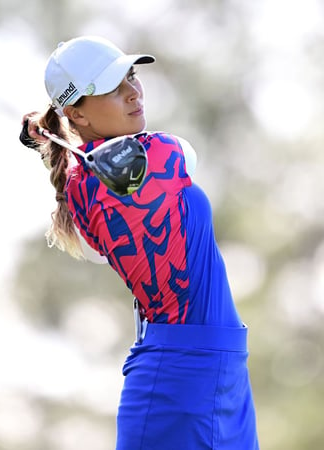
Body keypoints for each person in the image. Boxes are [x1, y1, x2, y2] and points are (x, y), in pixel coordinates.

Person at [20, 36, 259, 449]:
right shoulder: (161, 152)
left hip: (222, 367)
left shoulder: (77, 188)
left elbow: (94, 251)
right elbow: (188, 154)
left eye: (131, 77)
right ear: (76, 112)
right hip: (179, 379)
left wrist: (57, 139)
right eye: (113, 87)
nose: (134, 92)